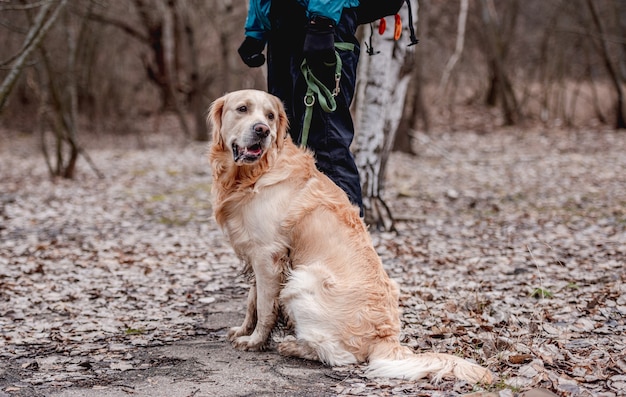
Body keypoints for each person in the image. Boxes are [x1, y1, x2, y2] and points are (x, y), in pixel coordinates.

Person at [236, 0, 364, 214]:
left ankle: (349, 242)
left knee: (326, 145)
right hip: (282, 25)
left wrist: (323, 19)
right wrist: (256, 30)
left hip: (323, 23)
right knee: (285, 145)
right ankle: (299, 241)